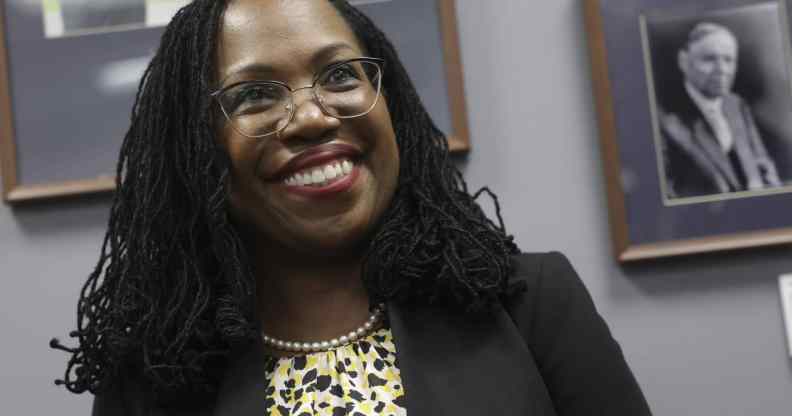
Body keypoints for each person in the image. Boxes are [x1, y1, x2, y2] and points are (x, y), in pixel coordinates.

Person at [51, 1, 651, 415]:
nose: (313, 117)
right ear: (195, 148)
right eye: (255, 94)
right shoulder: (150, 376)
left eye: (340, 75)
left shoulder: (530, 304)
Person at [657, 22, 781, 199]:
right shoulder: (664, 120)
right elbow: (668, 195)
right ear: (683, 61)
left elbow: (764, 166)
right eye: (709, 59)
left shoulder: (737, 105)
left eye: (728, 60)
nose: (722, 70)